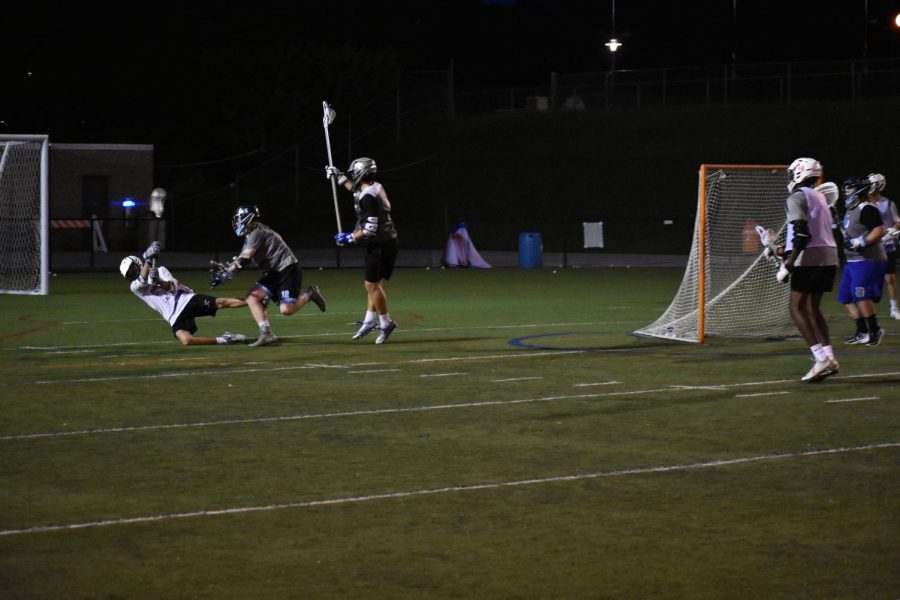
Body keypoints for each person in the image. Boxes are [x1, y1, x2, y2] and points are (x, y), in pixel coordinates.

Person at [210, 205, 327, 347]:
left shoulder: (256, 232)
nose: (236, 222)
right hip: (274, 273)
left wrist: (225, 274)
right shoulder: (252, 233)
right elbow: (241, 260)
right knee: (252, 297)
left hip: (287, 269)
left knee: (286, 310)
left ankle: (310, 293)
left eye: (238, 219)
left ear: (247, 217)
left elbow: (244, 260)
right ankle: (267, 334)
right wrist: (227, 271)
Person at [326, 157, 400, 344]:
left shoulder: (369, 197)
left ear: (362, 174)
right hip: (384, 241)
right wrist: (340, 178)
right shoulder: (371, 188)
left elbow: (369, 229)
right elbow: (355, 189)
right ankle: (369, 320)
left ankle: (385, 323)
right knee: (374, 285)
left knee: (371, 285)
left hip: (380, 244)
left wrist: (349, 237)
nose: (352, 177)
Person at [779, 158, 840, 383]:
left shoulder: (797, 196)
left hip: (810, 257)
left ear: (798, 173)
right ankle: (830, 357)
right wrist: (781, 250)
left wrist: (789, 264)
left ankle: (820, 358)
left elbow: (802, 234)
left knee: (796, 307)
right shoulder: (820, 196)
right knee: (814, 308)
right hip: (829, 256)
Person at [120, 243, 248, 346]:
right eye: (130, 274)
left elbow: (172, 287)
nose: (133, 273)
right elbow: (142, 280)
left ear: (137, 263)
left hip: (185, 299)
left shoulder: (160, 270)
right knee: (187, 340)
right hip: (173, 316)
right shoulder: (134, 287)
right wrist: (147, 257)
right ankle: (226, 340)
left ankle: (252, 301)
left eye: (133, 269)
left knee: (221, 303)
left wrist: (158, 280)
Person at [838, 176, 887, 346]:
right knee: (845, 296)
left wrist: (862, 241)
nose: (846, 193)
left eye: (849, 189)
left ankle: (875, 330)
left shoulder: (867, 208)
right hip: (852, 261)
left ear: (859, 191)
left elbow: (879, 230)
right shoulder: (851, 209)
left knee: (861, 294)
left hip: (868, 259)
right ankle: (862, 331)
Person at [869, 173, 900, 319]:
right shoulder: (864, 203)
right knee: (869, 279)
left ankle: (894, 308)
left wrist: (893, 230)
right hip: (870, 246)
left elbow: (898, 222)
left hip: (887, 245)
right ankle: (869, 310)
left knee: (889, 278)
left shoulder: (888, 203)